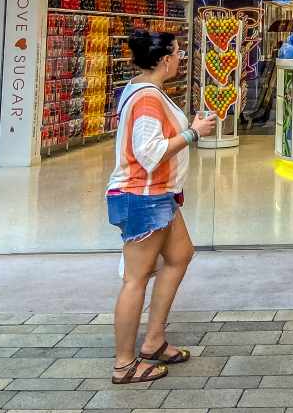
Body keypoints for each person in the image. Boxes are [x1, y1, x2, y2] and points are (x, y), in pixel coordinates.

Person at [105, 30, 215, 385]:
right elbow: (148, 152)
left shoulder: (143, 90)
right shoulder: (148, 99)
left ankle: (153, 340)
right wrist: (194, 132)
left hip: (159, 194)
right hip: (143, 196)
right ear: (165, 59)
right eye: (179, 53)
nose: (182, 58)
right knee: (135, 279)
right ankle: (124, 364)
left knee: (181, 254)